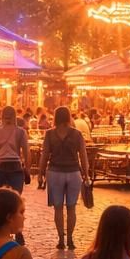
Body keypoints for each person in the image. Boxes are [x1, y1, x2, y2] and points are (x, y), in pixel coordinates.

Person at [39, 106, 89, 251]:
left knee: (58, 208)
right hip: (73, 173)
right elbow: (83, 157)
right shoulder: (77, 134)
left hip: (55, 172)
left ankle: (61, 239)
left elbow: (44, 155)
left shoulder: (49, 134)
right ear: (68, 117)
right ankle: (70, 239)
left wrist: (41, 173)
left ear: (55, 117)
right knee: (72, 208)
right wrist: (86, 175)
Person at [0, 106, 29, 194]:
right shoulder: (21, 132)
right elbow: (26, 152)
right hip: (15, 165)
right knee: (16, 197)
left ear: (2, 116)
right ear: (15, 117)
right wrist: (27, 169)